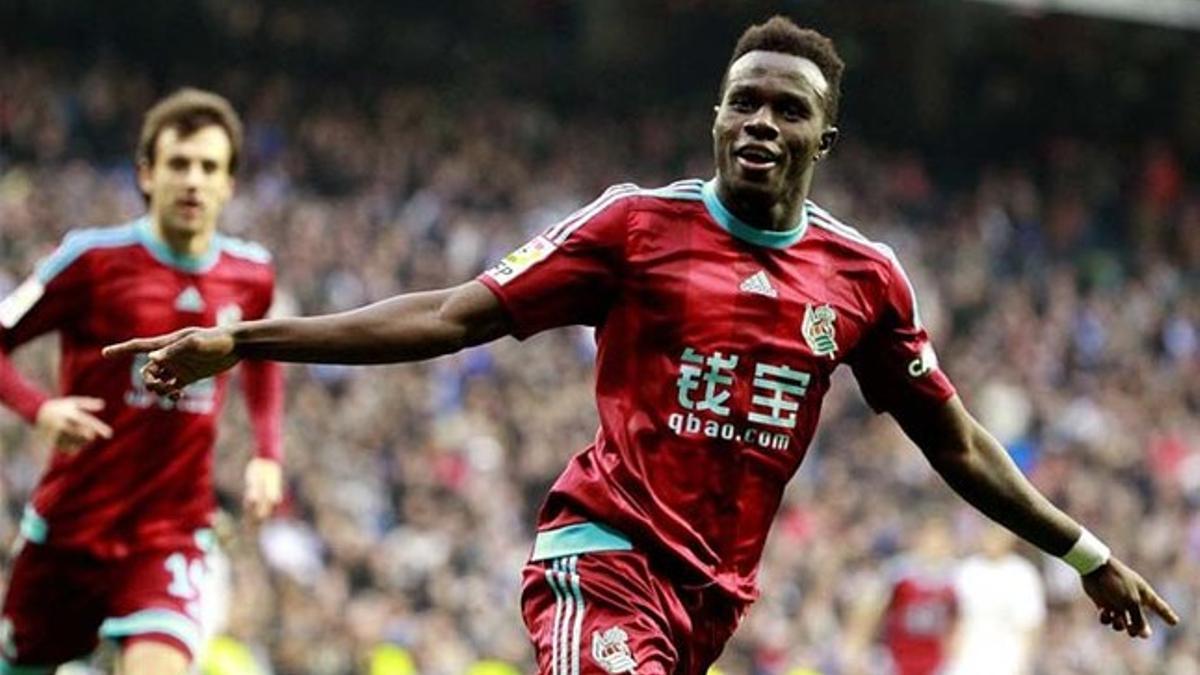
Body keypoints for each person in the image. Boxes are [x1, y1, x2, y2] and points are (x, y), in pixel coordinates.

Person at [105, 17, 1179, 674]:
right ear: (718, 119)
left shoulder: (865, 279)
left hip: (710, 602)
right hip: (601, 562)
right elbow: (450, 314)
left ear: (824, 140)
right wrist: (249, 339)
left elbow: (957, 443)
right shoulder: (636, 227)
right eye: (744, 102)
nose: (762, 122)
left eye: (788, 110)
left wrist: (1083, 553)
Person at [0, 88, 284, 675]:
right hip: (72, 528)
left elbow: (262, 357)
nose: (194, 181)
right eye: (179, 164)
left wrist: (267, 454)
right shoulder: (91, 260)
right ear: (147, 174)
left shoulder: (250, 276)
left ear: (230, 183)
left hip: (171, 533)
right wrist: (40, 409)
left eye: (210, 167)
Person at [843, 517, 959, 675]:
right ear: (920, 538)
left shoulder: (955, 575)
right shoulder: (900, 572)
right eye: (932, 537)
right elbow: (871, 610)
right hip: (898, 661)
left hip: (936, 664)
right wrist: (857, 647)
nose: (936, 543)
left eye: (942, 538)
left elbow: (957, 621)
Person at [942, 525, 1046, 675]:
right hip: (968, 656)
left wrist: (1024, 662)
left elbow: (1031, 623)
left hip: (1008, 657)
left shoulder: (1022, 574)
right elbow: (955, 615)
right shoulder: (967, 570)